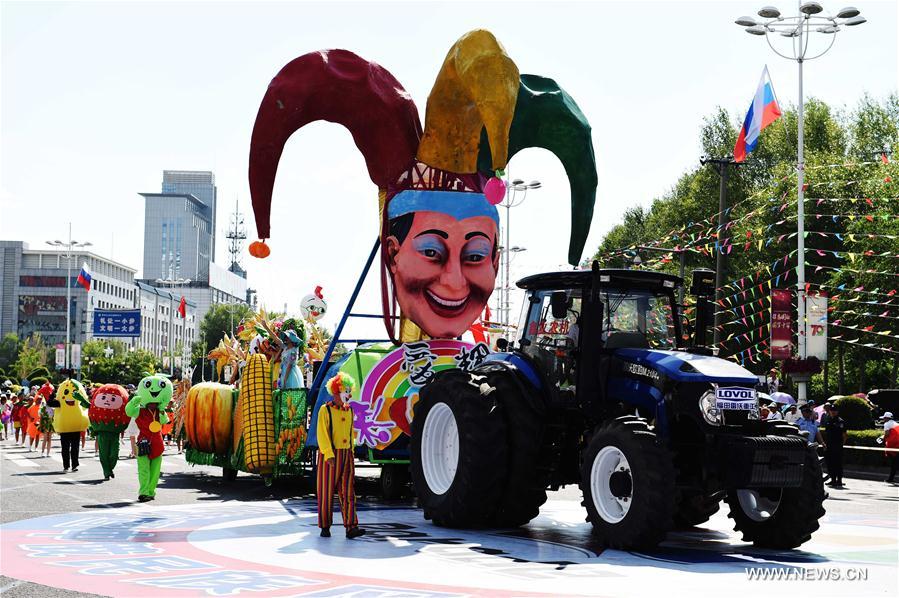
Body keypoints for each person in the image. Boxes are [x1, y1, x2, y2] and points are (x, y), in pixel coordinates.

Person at [316, 372, 365, 539]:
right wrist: (328, 454)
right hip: (330, 454)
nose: (349, 394)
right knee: (326, 492)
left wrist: (351, 452)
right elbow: (322, 433)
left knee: (348, 492)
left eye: (350, 390)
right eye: (346, 390)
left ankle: (351, 527)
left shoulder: (349, 410)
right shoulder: (326, 410)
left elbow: (351, 432)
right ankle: (325, 526)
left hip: (346, 455)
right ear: (336, 391)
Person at [125, 374, 173, 502]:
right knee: (143, 469)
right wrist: (134, 400)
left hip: (157, 444)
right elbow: (129, 411)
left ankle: (151, 492)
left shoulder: (159, 411)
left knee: (155, 471)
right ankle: (144, 492)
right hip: (143, 442)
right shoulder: (139, 411)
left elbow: (165, 421)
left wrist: (162, 409)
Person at [53, 379, 91, 472]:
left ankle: (74, 465)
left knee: (75, 447)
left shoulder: (80, 399)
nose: (70, 395)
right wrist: (51, 395)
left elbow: (87, 404)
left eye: (73, 392)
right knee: (65, 448)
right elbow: (51, 403)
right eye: (66, 392)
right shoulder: (59, 401)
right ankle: (66, 465)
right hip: (65, 427)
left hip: (75, 426)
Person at [823, 403, 847, 488]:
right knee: (830, 463)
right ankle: (833, 480)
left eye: (834, 411)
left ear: (837, 412)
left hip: (837, 446)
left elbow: (844, 435)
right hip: (829, 445)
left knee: (838, 463)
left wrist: (841, 445)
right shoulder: (828, 420)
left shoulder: (840, 421)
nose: (833, 412)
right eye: (831, 411)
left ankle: (839, 480)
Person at [878, 412, 898, 483]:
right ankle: (891, 478)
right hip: (897, 445)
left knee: (894, 463)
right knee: (895, 463)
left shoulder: (886, 424)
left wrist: (882, 439)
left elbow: (887, 434)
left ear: (887, 418)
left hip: (892, 446)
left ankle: (890, 479)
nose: (883, 419)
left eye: (884, 418)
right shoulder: (896, 424)